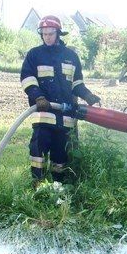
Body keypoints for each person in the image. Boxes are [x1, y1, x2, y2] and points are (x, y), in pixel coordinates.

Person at [20, 15, 101, 184]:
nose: (47, 37)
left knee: (60, 156)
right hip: (44, 114)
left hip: (65, 117)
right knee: (38, 151)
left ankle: (59, 186)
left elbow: (76, 83)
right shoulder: (34, 55)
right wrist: (39, 97)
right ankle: (38, 184)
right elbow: (28, 79)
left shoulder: (71, 56)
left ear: (58, 33)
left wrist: (87, 95)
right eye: (44, 34)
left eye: (50, 33)